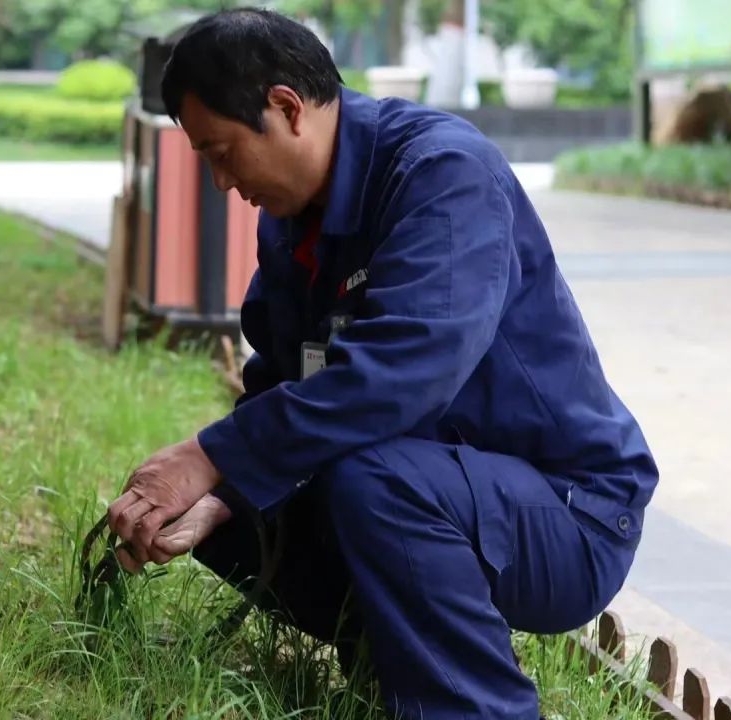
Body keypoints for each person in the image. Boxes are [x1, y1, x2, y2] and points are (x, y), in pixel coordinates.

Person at [106, 7, 659, 719]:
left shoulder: (442, 174)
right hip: (443, 479)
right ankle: (388, 673)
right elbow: (284, 381)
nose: (220, 183)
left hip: (571, 510)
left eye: (221, 152)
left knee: (369, 479)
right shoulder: (289, 221)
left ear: (286, 108)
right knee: (236, 511)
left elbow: (408, 371)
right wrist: (224, 490)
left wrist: (213, 454)